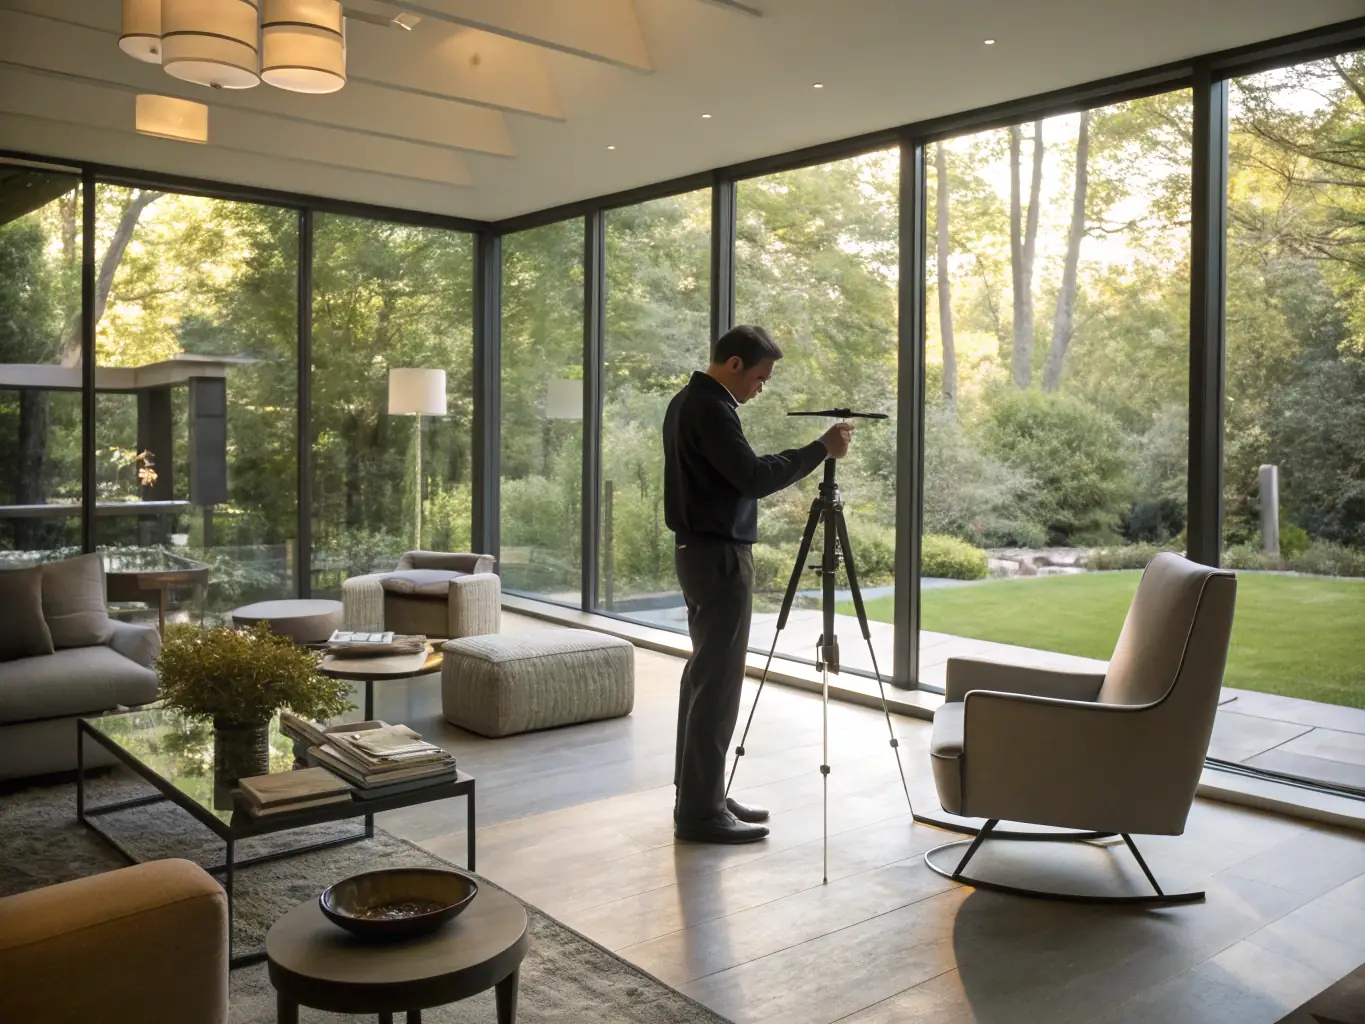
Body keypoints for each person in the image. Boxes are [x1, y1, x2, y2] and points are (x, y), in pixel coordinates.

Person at [663, 325, 853, 844]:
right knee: (718, 683)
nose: (760, 388)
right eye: (761, 377)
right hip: (718, 557)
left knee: (704, 677)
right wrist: (821, 449)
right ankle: (700, 812)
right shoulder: (711, 407)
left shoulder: (686, 402)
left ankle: (700, 793)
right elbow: (752, 476)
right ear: (734, 365)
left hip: (697, 553)